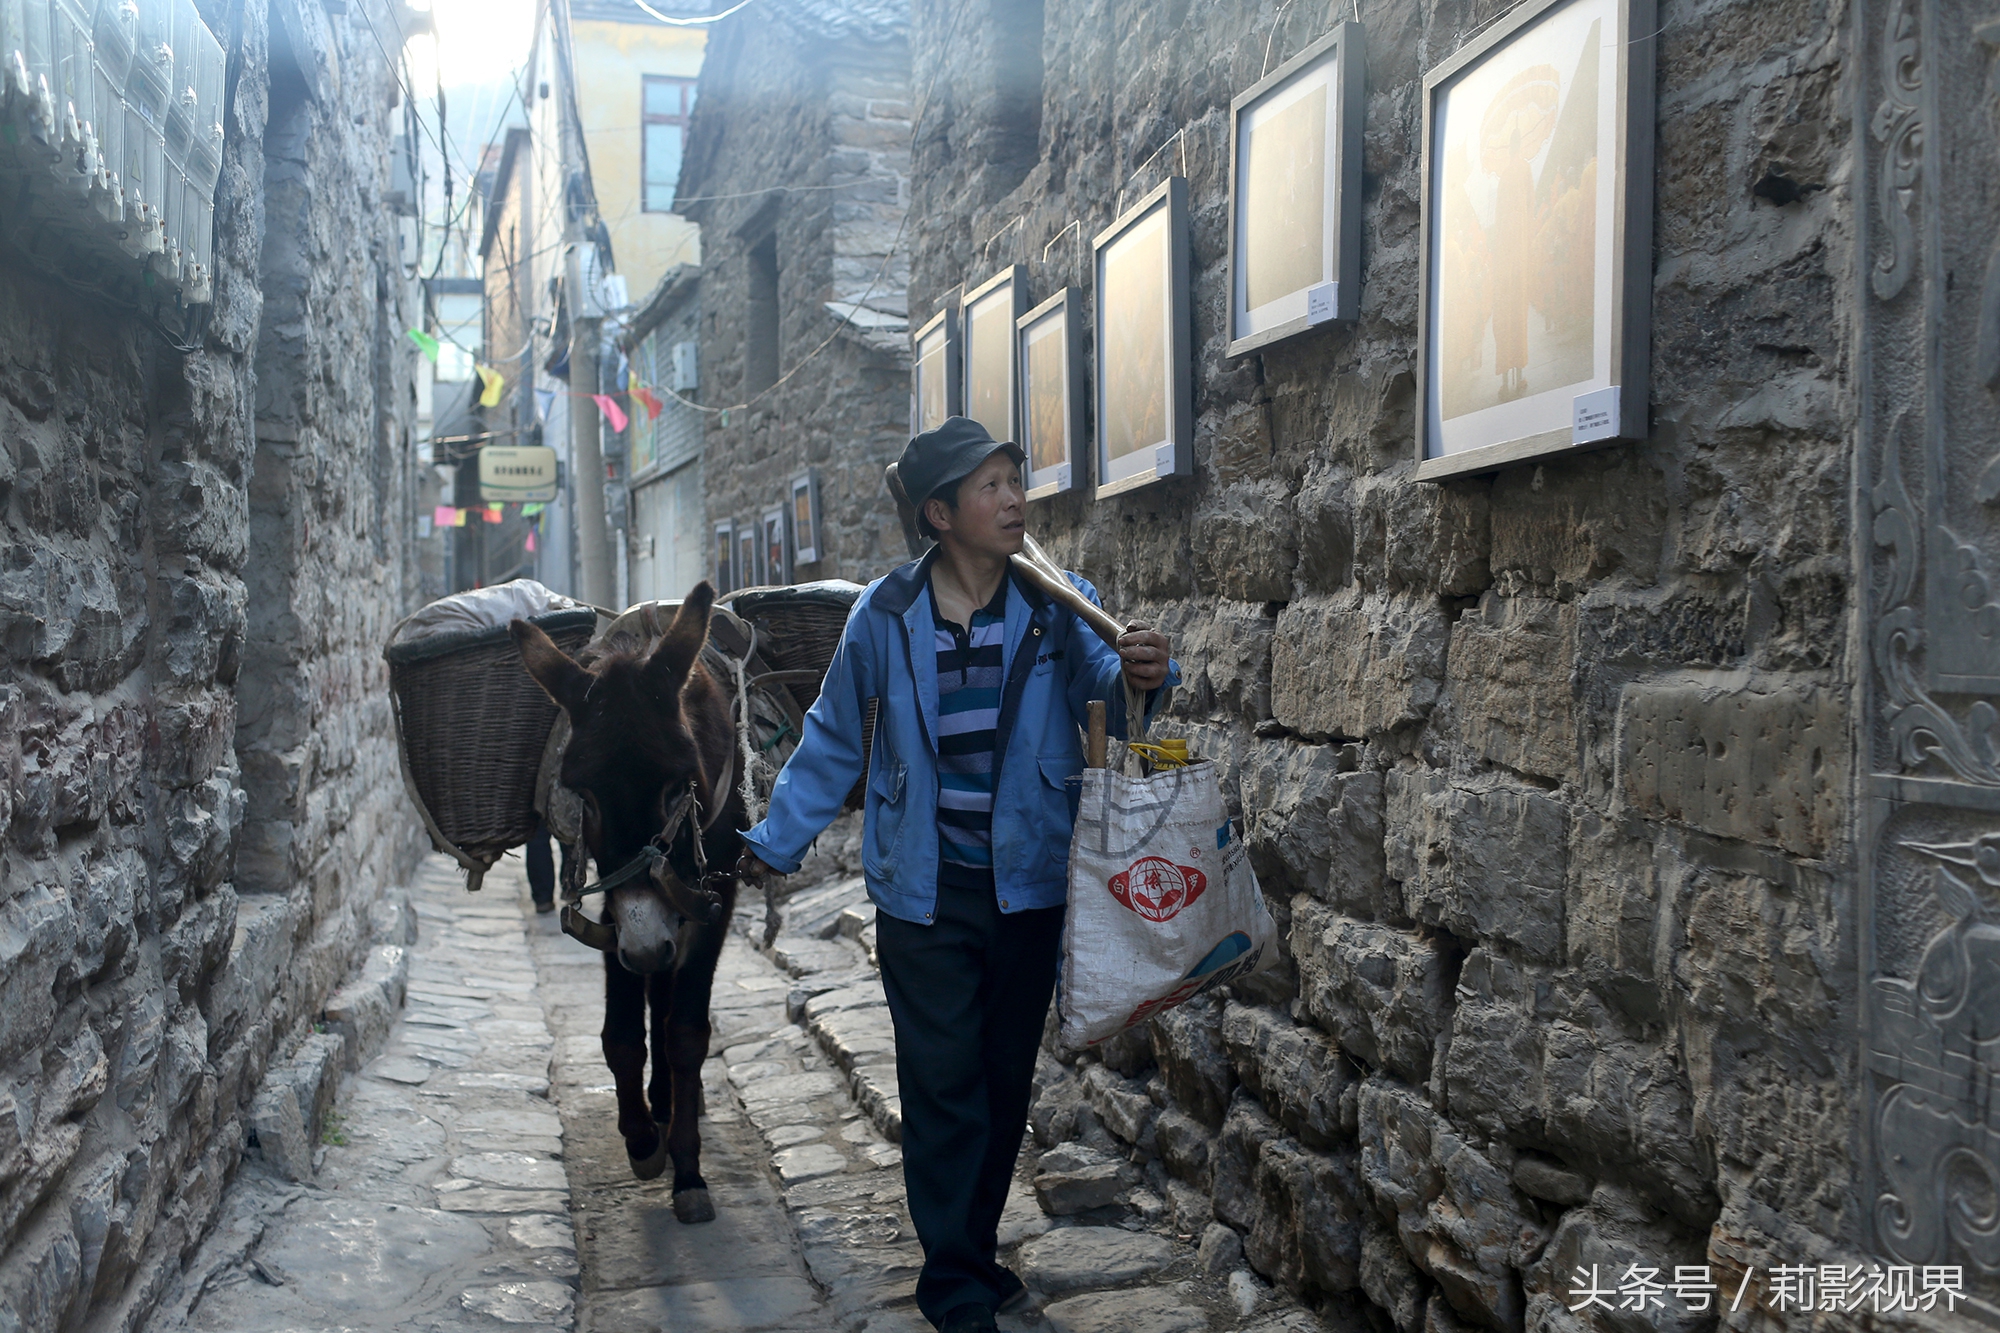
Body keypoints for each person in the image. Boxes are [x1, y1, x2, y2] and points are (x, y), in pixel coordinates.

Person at [737, 416, 1178, 1333]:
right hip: (923, 889)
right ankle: (954, 1283)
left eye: (1015, 479)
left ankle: (973, 1251)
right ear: (940, 513)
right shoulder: (885, 616)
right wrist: (774, 839)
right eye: (990, 486)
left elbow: (1116, 696)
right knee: (942, 1082)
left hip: (1027, 884)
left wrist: (1143, 674)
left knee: (1003, 1076)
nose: (1014, 498)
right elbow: (827, 739)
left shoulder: (1060, 607)